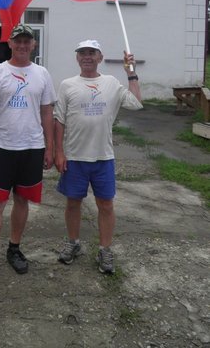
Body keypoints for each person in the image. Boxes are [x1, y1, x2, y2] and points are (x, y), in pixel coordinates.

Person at [0, 23, 56, 287]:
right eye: (18, 41)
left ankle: (14, 248)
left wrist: (50, 147)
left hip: (32, 147)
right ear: (10, 44)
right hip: (3, 148)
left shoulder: (42, 74)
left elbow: (47, 111)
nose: (23, 45)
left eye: (27, 41)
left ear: (33, 45)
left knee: (23, 201)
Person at [54, 39, 142, 274]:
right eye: (82, 53)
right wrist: (59, 152)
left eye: (92, 53)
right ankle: (73, 243)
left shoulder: (111, 83)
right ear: (77, 58)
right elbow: (59, 120)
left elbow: (135, 103)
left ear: (100, 57)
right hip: (74, 157)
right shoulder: (67, 85)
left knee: (106, 204)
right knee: (73, 203)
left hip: (103, 157)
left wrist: (131, 73)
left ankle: (105, 250)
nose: (87, 57)